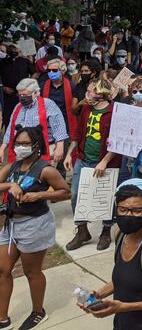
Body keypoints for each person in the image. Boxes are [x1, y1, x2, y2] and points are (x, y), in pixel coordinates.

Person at [81, 179, 142, 329]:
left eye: (137, 210)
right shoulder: (120, 234)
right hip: (122, 323)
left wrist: (124, 307)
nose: (128, 215)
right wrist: (98, 295)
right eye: (123, 209)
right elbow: (124, 279)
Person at [0, 127, 70, 330]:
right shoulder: (13, 166)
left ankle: (38, 312)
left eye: (25, 144)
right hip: (11, 224)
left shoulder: (44, 169)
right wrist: (9, 186)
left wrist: (39, 195)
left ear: (36, 146)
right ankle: (2, 318)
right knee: (3, 269)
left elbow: (65, 192)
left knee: (32, 272)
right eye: (18, 144)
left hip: (34, 225)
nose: (20, 147)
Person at [64, 79, 122, 251]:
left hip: (106, 162)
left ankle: (106, 230)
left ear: (101, 94)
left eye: (90, 91)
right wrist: (69, 154)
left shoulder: (114, 112)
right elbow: (78, 133)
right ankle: (82, 230)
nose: (87, 94)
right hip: (83, 159)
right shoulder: (86, 109)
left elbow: (118, 141)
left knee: (107, 197)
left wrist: (104, 162)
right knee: (75, 194)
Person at [1, 78, 69, 174]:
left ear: (36, 93)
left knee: (41, 178)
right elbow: (10, 130)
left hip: (44, 149)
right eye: (20, 95)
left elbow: (59, 127)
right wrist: (2, 147)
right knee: (20, 177)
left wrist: (60, 147)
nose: (22, 97)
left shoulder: (48, 104)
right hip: (22, 150)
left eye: (25, 95)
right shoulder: (18, 107)